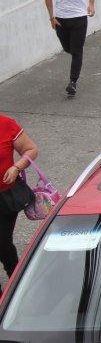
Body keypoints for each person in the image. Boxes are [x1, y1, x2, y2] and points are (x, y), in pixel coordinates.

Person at [44, 0, 96, 97]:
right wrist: (51, 17)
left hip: (79, 17)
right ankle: (73, 57)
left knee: (77, 50)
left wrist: (91, 4)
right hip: (61, 19)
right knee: (68, 48)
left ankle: (73, 82)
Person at [0, 113, 39, 281]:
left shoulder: (6, 124)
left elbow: (31, 149)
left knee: (2, 243)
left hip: (4, 197)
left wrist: (16, 167)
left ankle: (16, 280)